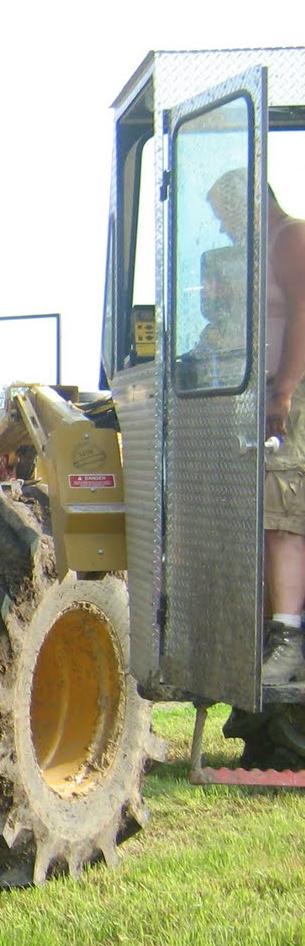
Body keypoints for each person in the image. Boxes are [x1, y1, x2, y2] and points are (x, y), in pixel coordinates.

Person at [208, 171, 305, 682]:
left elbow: (304, 312)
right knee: (264, 515)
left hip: (289, 395)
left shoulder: (291, 238)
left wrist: (284, 389)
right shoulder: (256, 253)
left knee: (282, 510)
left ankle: (288, 638)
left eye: (226, 214)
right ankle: (270, 630)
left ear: (249, 203)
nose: (225, 228)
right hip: (263, 392)